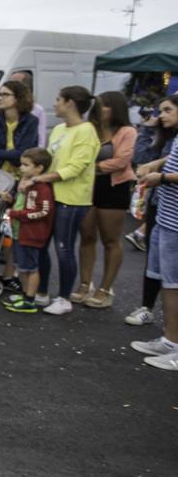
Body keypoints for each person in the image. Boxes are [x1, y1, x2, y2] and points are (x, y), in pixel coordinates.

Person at [26, 86, 102, 316]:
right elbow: (49, 159)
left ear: (70, 103)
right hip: (49, 195)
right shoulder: (59, 128)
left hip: (72, 200)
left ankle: (64, 297)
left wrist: (39, 177)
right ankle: (41, 292)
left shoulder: (87, 131)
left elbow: (76, 168)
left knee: (64, 249)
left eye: (58, 99)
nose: (55, 103)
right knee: (40, 245)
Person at [73, 91, 136, 310]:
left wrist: (89, 167)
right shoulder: (91, 128)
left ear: (115, 109)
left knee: (111, 239)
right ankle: (85, 282)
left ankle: (106, 288)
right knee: (87, 235)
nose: (100, 110)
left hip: (113, 187)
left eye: (105, 106)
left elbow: (122, 160)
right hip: (88, 187)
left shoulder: (127, 131)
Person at [125, 97, 178, 325]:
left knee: (171, 277)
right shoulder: (168, 136)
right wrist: (147, 129)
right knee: (157, 265)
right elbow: (141, 159)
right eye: (160, 111)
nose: (161, 115)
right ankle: (150, 311)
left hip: (171, 211)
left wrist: (163, 176)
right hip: (162, 205)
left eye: (168, 110)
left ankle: (172, 340)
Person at [130, 126, 178, 370]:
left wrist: (163, 178)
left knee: (175, 284)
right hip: (166, 216)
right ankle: (170, 341)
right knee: (167, 282)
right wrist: (157, 164)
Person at [3, 149, 56, 313]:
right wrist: (10, 202)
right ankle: (25, 294)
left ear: (39, 168)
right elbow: (21, 204)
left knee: (31, 268)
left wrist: (16, 214)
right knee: (22, 266)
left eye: (26, 165)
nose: (22, 167)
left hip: (32, 233)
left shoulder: (42, 188)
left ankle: (30, 300)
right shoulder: (25, 184)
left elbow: (43, 211)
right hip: (20, 232)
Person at [0, 79, 40, 176]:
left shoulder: (31, 121)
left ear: (18, 97)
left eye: (5, 95)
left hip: (23, 175)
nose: (0, 98)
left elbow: (23, 154)